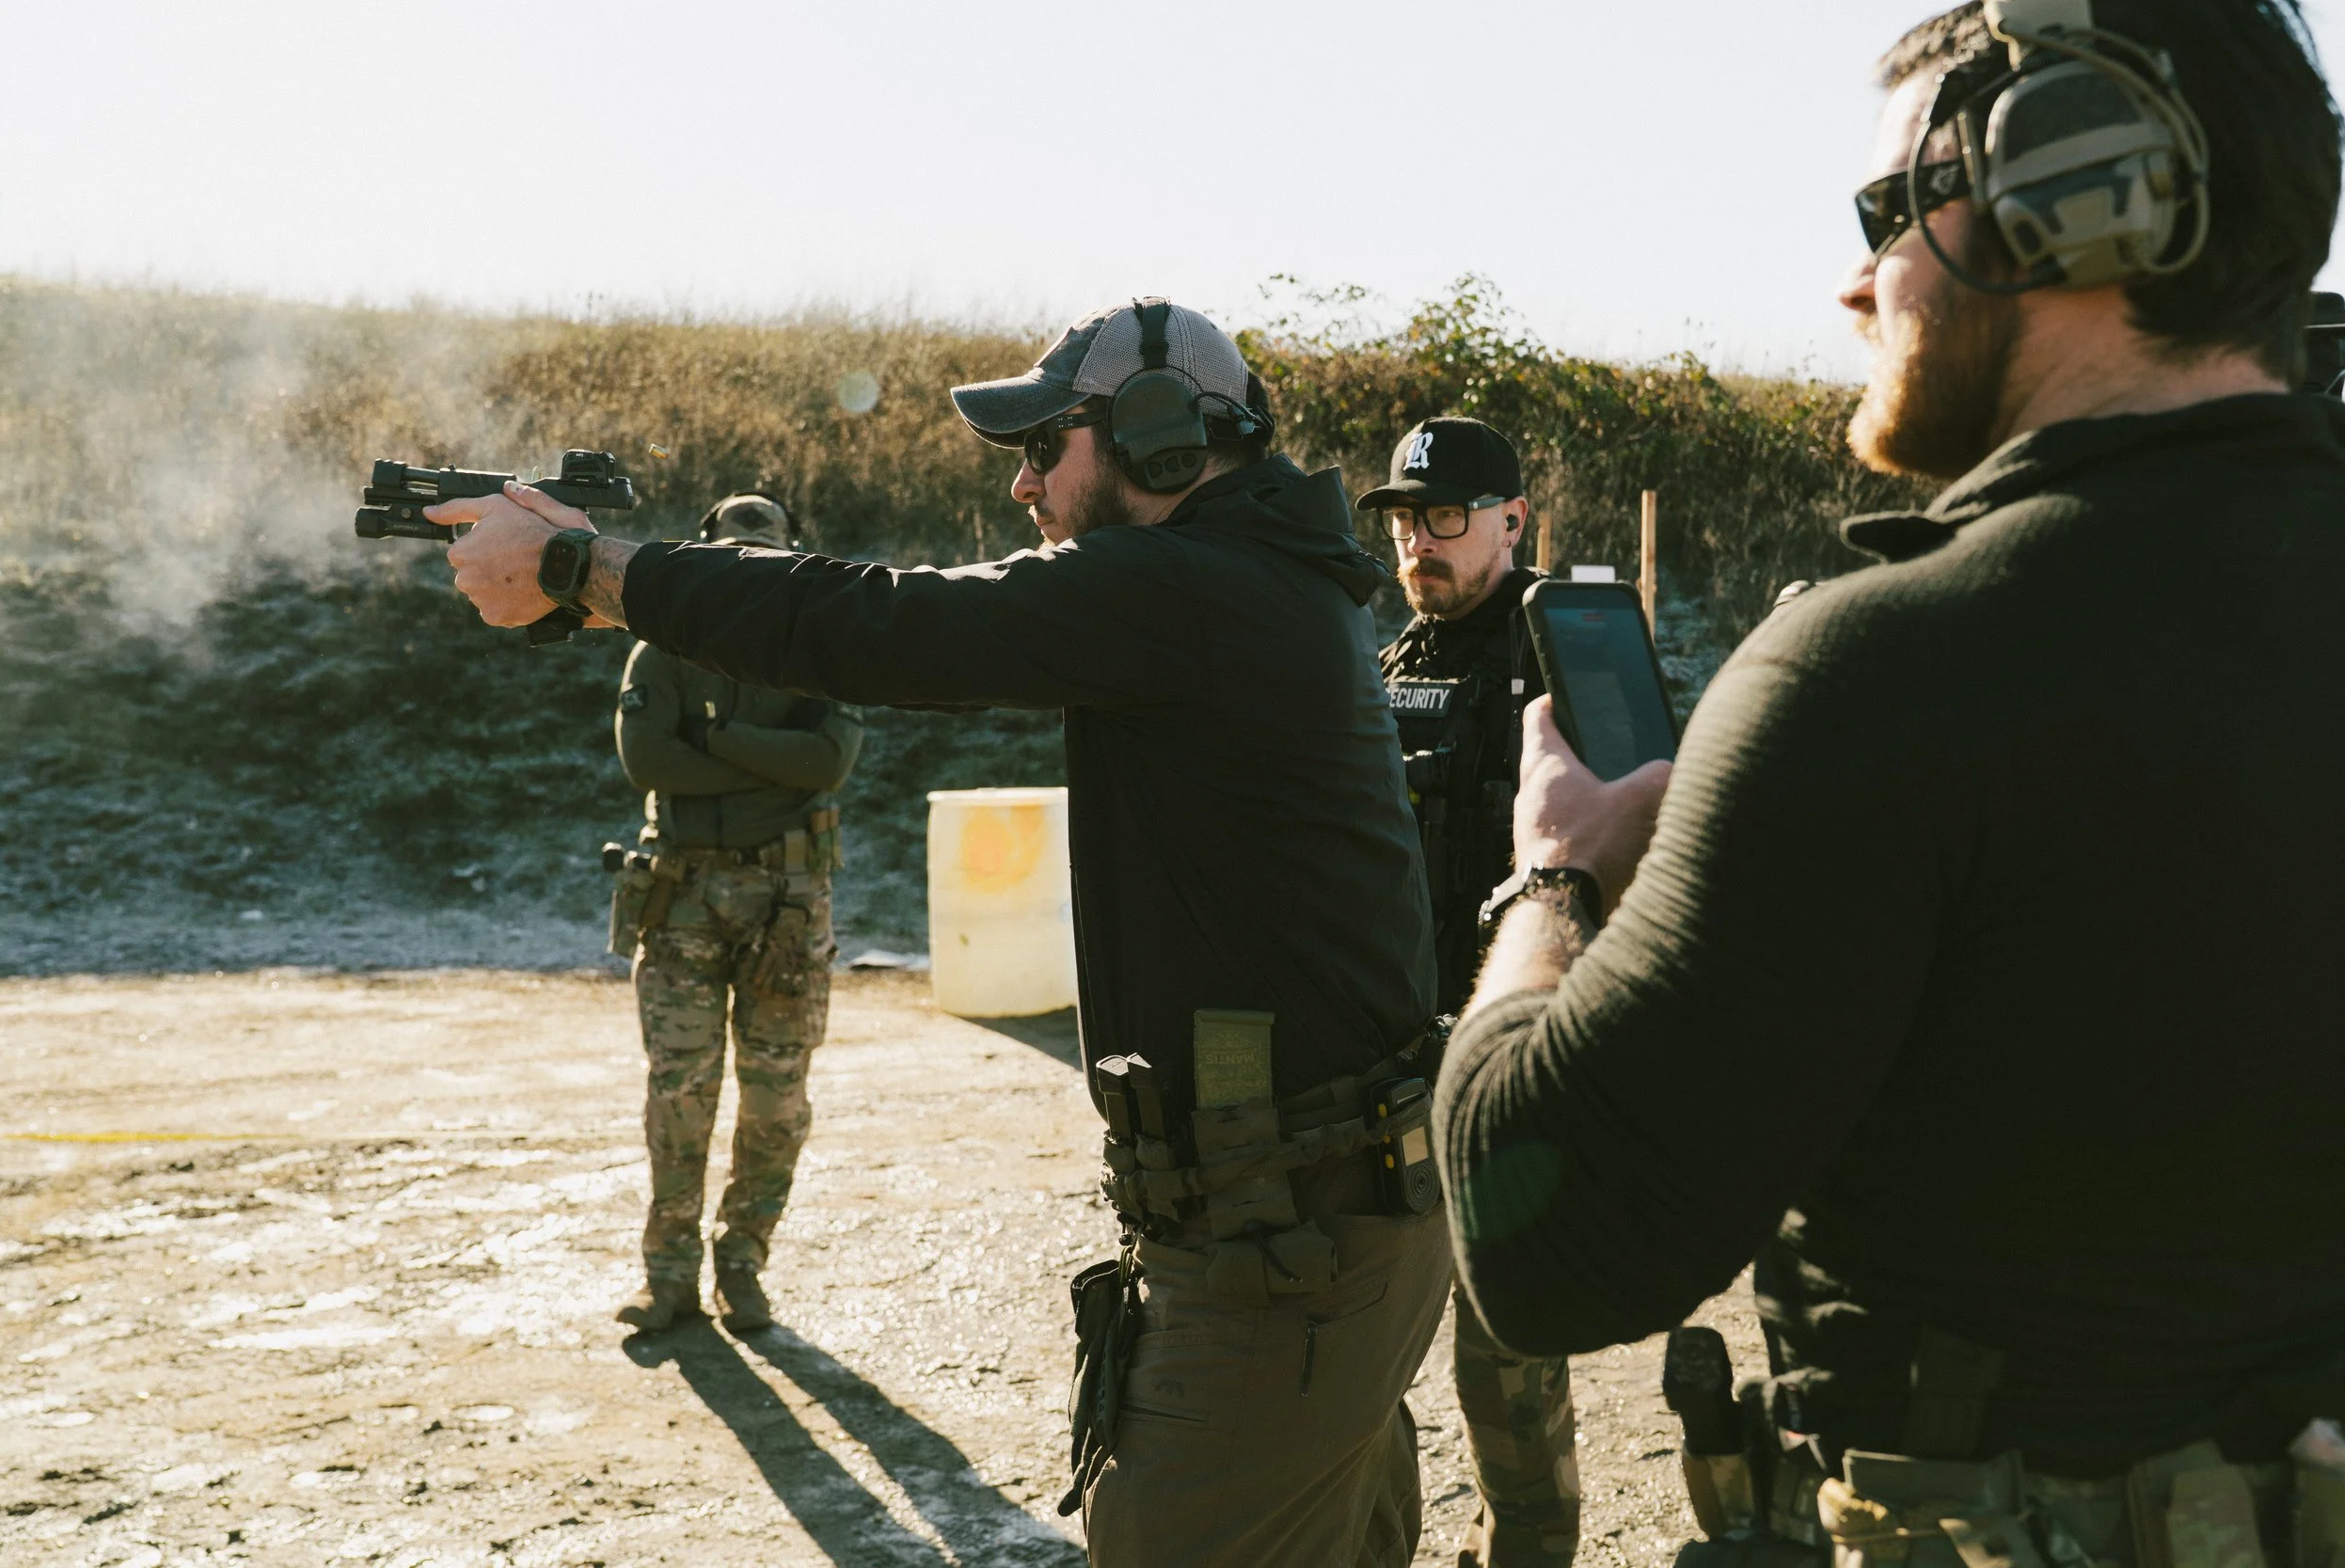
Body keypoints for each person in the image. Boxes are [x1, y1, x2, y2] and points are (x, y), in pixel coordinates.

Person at [1436, 3, 2345, 1567]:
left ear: (2078, 189)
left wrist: (1557, 877)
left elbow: (1546, 1239)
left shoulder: (1883, 671)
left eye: (1889, 212)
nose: (1858, 281)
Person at [434, 299, 1450, 1567]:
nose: (1022, 481)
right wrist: (641, 595)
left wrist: (600, 569)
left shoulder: (1198, 585)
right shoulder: (1257, 583)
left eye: (1044, 443)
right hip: (1307, 1226)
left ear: (1158, 437)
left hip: (1286, 1249)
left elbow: (893, 623)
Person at [1364, 418, 1580, 1568]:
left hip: (1510, 1073)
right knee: (1356, 1364)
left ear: (1513, 518)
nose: (1417, 542)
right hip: (1393, 1065)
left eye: (1443, 515)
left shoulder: (1566, 656)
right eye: (1403, 518)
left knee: (1507, 1384)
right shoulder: (1398, 661)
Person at [606, 493, 865, 1335]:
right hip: (681, 897)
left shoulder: (822, 649)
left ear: (795, 559)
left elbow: (828, 762)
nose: (749, 572)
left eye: (767, 557)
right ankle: (670, 1274)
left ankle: (743, 1260)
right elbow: (648, 760)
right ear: (706, 555)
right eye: (733, 557)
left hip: (787, 907)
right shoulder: (662, 649)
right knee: (679, 1092)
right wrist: (769, 767)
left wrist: (710, 740)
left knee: (776, 1098)